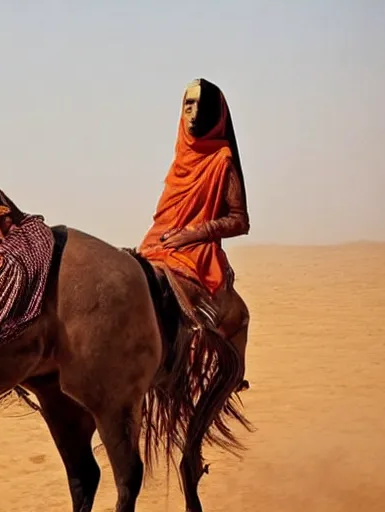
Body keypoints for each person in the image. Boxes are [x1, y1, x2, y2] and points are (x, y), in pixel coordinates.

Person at [138, 78, 251, 389]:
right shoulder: (181, 156)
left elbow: (240, 221)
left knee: (239, 316)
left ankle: (228, 380)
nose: (194, 111)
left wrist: (193, 234)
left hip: (195, 249)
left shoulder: (221, 160)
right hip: (156, 244)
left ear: (216, 114)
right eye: (189, 104)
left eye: (202, 105)